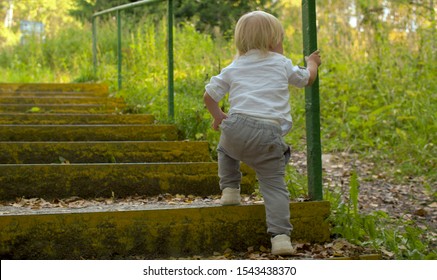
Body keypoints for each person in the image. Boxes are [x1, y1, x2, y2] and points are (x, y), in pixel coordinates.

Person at [203, 11, 321, 256]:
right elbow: (306, 79)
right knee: (274, 186)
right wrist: (312, 63)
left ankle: (230, 191)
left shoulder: (234, 67)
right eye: (280, 40)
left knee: (225, 149)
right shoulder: (281, 62)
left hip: (236, 127)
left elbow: (209, 96)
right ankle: (280, 237)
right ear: (271, 42)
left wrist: (218, 116)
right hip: (268, 135)